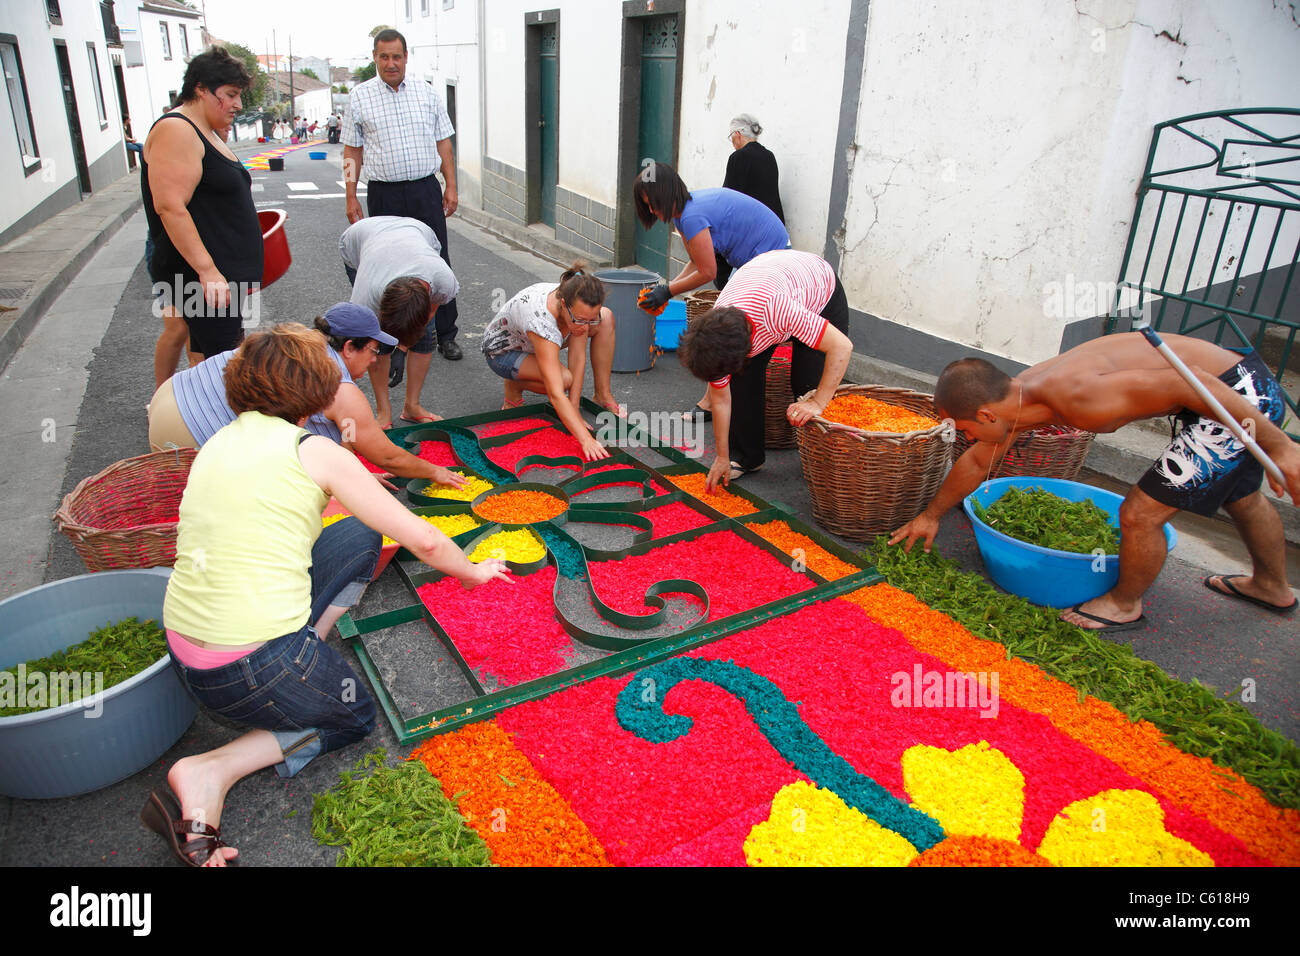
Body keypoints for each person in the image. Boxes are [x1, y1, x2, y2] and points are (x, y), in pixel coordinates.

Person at [142, 323, 510, 866]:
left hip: (185, 648)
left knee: (360, 534)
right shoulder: (313, 450)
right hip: (245, 671)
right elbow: (427, 539)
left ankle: (303, 654)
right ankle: (213, 769)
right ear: (318, 390)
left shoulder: (216, 440)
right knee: (353, 715)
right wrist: (473, 572)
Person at [889, 334, 1300, 631]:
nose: (967, 439)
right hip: (1230, 388)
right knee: (1241, 496)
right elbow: (978, 462)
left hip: (1236, 399)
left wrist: (1280, 446)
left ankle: (1123, 604)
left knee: (1140, 514)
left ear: (984, 416)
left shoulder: (1078, 396)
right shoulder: (1015, 397)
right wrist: (931, 515)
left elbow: (1189, 382)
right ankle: (1270, 585)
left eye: (965, 429)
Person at [147, 302, 467, 490]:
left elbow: (345, 442)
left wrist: (354, 475)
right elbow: (387, 456)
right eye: (373, 350)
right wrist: (434, 471)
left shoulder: (297, 340)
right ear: (348, 347)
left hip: (169, 396)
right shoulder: (341, 389)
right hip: (188, 437)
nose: (374, 360)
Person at [677, 249, 853, 489]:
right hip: (768, 279)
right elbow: (720, 399)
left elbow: (842, 347)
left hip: (818, 287)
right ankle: (749, 458)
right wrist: (722, 457)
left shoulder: (776, 310)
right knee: (743, 380)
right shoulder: (715, 330)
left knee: (807, 384)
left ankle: (825, 462)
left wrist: (817, 402)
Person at [632, 161, 790, 419]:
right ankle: (718, 399)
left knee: (726, 328)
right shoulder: (683, 213)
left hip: (770, 257)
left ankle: (712, 403)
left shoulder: (692, 216)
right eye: (646, 205)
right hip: (757, 256)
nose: (651, 210)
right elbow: (696, 261)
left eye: (653, 203)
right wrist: (667, 288)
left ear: (666, 193)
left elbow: (708, 272)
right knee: (730, 325)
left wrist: (668, 291)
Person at [343, 28, 462, 362]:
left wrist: (450, 184)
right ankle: (389, 335)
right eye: (384, 56)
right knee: (387, 265)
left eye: (396, 56)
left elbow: (444, 143)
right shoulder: (360, 97)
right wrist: (350, 195)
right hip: (384, 194)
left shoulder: (427, 93)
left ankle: (445, 334)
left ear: (406, 56)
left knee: (437, 263)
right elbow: (352, 152)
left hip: (425, 190)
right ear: (375, 58)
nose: (391, 63)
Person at [142, 47, 262, 370]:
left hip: (219, 276)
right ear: (201, 89)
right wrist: (208, 270)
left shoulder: (204, 130)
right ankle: (185, 417)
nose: (238, 104)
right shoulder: (177, 130)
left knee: (207, 361)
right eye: (231, 95)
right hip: (202, 278)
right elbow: (169, 207)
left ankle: (186, 418)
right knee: (223, 368)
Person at [482, 262, 621, 462]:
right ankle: (514, 383)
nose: (586, 327)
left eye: (590, 320)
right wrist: (585, 439)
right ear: (563, 305)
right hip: (503, 353)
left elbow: (577, 356)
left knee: (605, 318)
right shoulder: (541, 322)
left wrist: (574, 409)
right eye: (581, 320)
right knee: (563, 380)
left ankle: (602, 394)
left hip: (534, 342)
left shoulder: (576, 303)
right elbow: (556, 394)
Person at [338, 215, 459, 428]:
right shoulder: (366, 296)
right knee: (379, 345)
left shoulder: (443, 281)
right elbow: (365, 341)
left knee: (424, 336)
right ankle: (383, 413)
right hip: (362, 237)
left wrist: (402, 348)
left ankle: (412, 406)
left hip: (417, 231)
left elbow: (426, 317)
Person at [719, 113, 785, 288]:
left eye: (731, 137)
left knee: (728, 274)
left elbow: (728, 198)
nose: (732, 142)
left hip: (750, 230)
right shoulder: (769, 156)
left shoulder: (738, 158)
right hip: (774, 226)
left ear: (737, 135)